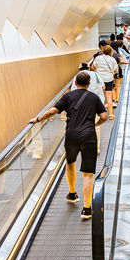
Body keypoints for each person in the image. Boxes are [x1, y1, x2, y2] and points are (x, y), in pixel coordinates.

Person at [30, 72, 108, 219]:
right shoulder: (94, 97)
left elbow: (53, 111)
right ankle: (86, 208)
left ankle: (72, 194)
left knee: (70, 163)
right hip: (89, 136)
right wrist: (95, 124)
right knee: (88, 173)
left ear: (76, 83)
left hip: (71, 135)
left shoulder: (68, 96)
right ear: (89, 84)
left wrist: (38, 119)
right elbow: (104, 116)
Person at [71, 62, 105, 154]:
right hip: (95, 105)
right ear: (89, 68)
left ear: (79, 69)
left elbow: (73, 91)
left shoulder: (77, 76)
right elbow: (103, 87)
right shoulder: (96, 75)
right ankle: (95, 148)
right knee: (95, 126)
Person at [92, 45, 118, 119]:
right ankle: (110, 114)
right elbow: (116, 70)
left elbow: (92, 67)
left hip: (100, 79)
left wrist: (98, 71)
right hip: (109, 79)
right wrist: (111, 73)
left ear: (102, 51)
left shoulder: (98, 58)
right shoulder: (112, 59)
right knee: (109, 96)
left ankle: (100, 114)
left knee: (99, 95)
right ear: (110, 52)